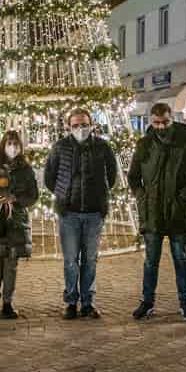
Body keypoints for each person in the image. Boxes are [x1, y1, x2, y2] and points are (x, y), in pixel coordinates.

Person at [127, 103, 186, 322]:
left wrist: (183, 195)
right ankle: (147, 301)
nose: (161, 127)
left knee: (180, 258)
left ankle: (185, 302)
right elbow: (133, 176)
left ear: (172, 119)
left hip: (177, 212)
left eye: (165, 122)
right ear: (151, 121)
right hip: (152, 212)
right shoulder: (144, 144)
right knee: (151, 260)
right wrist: (141, 196)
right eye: (156, 122)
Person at [44, 108, 119, 320]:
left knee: (90, 259)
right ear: (68, 126)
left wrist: (100, 195)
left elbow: (111, 175)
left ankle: (88, 302)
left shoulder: (102, 146)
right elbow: (50, 177)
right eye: (76, 125)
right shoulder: (60, 147)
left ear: (91, 124)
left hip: (95, 213)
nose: (80, 128)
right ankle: (70, 302)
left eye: (84, 124)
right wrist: (63, 195)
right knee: (70, 260)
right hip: (69, 213)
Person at [0, 130, 38, 319]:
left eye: (15, 143)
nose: (12, 147)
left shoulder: (26, 169)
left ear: (20, 147)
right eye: (9, 143)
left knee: (11, 265)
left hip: (16, 222)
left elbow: (33, 195)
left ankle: (8, 303)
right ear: (3, 145)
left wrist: (15, 198)